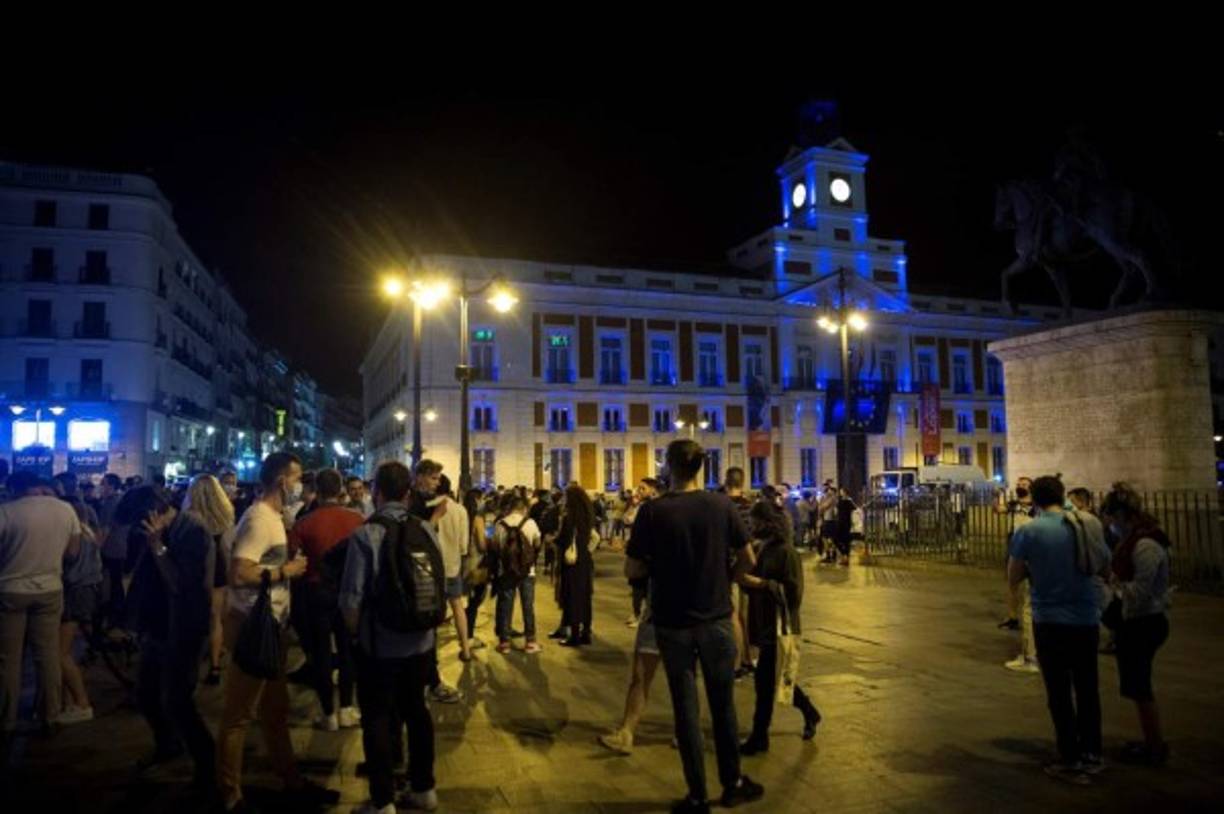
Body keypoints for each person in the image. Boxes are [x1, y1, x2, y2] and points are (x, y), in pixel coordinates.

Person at [627, 440, 764, 813]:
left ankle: (698, 795)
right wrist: (727, 579)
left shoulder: (652, 513)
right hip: (717, 619)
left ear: (670, 466)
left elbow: (633, 568)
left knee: (684, 709)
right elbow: (749, 558)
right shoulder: (721, 506)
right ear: (701, 467)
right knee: (723, 705)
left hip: (672, 623)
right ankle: (733, 782)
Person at [215, 452, 337, 813]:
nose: (302, 484)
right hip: (254, 625)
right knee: (239, 715)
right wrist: (287, 571)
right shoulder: (259, 520)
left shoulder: (271, 518)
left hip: (271, 624)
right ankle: (229, 794)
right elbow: (239, 573)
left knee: (275, 710)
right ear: (282, 481)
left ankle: (292, 781)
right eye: (297, 477)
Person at [340, 461, 440, 813]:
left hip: (379, 646)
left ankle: (382, 801)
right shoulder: (426, 531)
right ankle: (424, 788)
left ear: (377, 493)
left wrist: (355, 637)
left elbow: (351, 600)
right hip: (421, 643)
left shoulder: (365, 535)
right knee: (417, 711)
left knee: (378, 718)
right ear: (409, 493)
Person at [1007, 475, 1110, 784]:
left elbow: (1014, 576)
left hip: (1049, 618)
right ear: (1062, 494)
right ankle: (1093, 753)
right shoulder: (1088, 523)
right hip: (1085, 617)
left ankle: (1070, 757)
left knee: (1059, 691)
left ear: (1034, 499)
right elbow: (1104, 565)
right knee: (1088, 687)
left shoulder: (1029, 530)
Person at [125, 484, 217, 790]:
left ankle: (208, 766)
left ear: (154, 513)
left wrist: (158, 547)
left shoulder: (191, 530)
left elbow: (181, 584)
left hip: (184, 627)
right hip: (158, 625)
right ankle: (168, 744)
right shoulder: (159, 530)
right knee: (147, 693)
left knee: (178, 701)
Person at [0, 471, 82, 732]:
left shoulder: (6, 512)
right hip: (50, 588)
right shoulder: (66, 509)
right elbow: (73, 552)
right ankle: (50, 714)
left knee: (8, 659)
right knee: (47, 654)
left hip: (11, 590)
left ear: (16, 489)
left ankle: (7, 719)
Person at [737, 500, 821, 753]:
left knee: (767, 682)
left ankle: (759, 737)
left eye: (754, 521)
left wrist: (761, 584)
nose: (751, 526)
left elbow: (793, 595)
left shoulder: (786, 552)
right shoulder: (762, 548)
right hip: (764, 624)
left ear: (767, 523)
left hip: (781, 626)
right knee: (776, 679)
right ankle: (809, 712)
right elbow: (752, 582)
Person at [1099, 483, 1172, 766]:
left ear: (1122, 515)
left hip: (1144, 622)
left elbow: (1141, 591)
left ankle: (1155, 747)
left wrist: (1110, 590)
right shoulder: (1134, 541)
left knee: (1140, 688)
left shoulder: (1145, 545)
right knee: (1137, 686)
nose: (1110, 525)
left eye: (1111, 518)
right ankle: (1151, 740)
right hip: (1137, 621)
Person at [287, 468, 364, 730]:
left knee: (320, 653)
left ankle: (328, 713)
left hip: (315, 592)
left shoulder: (303, 524)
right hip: (348, 592)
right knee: (347, 652)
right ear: (341, 490)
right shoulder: (357, 521)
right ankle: (346, 708)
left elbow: (293, 560)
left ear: (317, 493)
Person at [56, 473, 104, 724]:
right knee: (61, 651)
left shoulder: (77, 540)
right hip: (84, 593)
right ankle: (64, 703)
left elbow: (73, 570)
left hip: (76, 594)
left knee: (59, 653)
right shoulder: (88, 535)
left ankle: (81, 702)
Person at [492, 493, 543, 655]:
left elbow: (496, 547)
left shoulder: (500, 524)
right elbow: (537, 543)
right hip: (527, 571)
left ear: (510, 507)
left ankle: (505, 643)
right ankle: (530, 642)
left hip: (506, 571)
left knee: (506, 606)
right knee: (528, 606)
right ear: (524, 508)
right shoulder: (531, 523)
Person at [1001, 476, 1040, 672]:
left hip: (1028, 555)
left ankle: (1030, 657)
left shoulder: (1036, 510)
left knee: (1029, 607)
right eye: (1019, 484)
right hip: (1018, 550)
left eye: (1024, 485)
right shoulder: (1014, 504)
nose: (1020, 487)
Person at [432, 474, 472, 662]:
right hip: (453, 566)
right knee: (457, 606)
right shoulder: (460, 510)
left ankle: (432, 656)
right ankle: (465, 648)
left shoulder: (429, 508)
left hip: (432, 569)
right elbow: (464, 546)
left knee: (432, 611)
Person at [554, 484, 595, 647]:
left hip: (572, 563)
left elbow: (563, 539)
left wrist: (553, 540)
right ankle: (586, 632)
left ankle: (575, 636)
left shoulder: (569, 518)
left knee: (572, 597)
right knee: (585, 597)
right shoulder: (588, 516)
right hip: (585, 561)